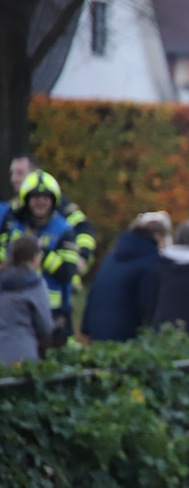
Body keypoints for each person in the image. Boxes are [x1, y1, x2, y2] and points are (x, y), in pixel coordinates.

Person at [1, 170, 79, 347]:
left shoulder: (64, 230)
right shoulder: (14, 226)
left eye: (46, 197)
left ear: (54, 200)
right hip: (14, 310)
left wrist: (38, 252)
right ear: (26, 200)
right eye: (35, 197)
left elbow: (67, 273)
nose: (41, 202)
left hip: (53, 314)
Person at [80, 212, 170, 342]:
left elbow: (93, 292)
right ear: (158, 237)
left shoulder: (113, 255)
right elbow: (148, 304)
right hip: (125, 337)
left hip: (97, 331)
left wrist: (86, 328)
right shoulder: (149, 260)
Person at [9, 154, 98, 277]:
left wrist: (82, 256)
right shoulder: (15, 207)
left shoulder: (58, 204)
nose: (14, 178)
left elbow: (83, 226)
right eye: (12, 173)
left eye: (20, 173)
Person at [0, 234, 53, 365]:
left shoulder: (3, 279)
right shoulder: (35, 285)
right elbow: (45, 327)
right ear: (35, 258)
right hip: (23, 355)